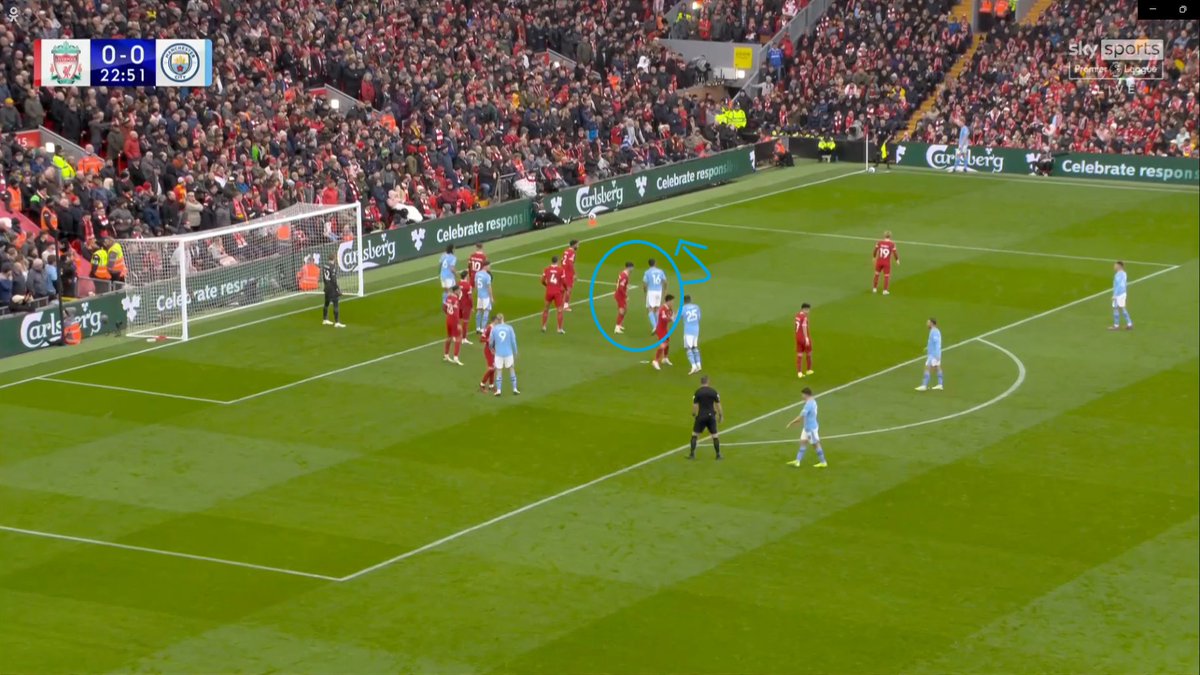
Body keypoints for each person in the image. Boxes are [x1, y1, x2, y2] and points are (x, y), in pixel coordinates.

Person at [786, 387, 827, 468]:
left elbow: (801, 417)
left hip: (811, 429)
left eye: (802, 395)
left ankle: (823, 462)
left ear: (806, 394)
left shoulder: (808, 405)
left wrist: (791, 422)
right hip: (807, 428)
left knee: (816, 444)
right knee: (803, 442)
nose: (802, 396)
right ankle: (797, 461)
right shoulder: (813, 401)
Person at [689, 375, 723, 460]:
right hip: (711, 416)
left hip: (701, 415)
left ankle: (692, 454)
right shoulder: (713, 391)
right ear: (708, 382)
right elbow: (718, 404)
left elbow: (695, 405)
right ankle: (718, 455)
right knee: (715, 435)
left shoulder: (698, 392)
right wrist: (720, 415)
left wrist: (694, 414)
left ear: (701, 382)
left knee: (695, 435)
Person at [489, 313, 520, 396]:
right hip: (508, 353)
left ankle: (499, 390)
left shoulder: (494, 329)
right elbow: (513, 341)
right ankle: (515, 389)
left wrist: (491, 349)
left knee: (499, 371)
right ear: (503, 319)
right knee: (511, 369)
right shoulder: (509, 328)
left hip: (498, 353)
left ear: (497, 319)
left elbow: (491, 341)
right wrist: (516, 351)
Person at [541, 255, 566, 333]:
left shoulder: (547, 269)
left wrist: (547, 285)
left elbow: (542, 280)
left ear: (552, 261)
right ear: (557, 261)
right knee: (559, 310)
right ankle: (559, 329)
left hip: (549, 291)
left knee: (546, 309)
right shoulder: (561, 270)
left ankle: (544, 326)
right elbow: (564, 281)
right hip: (557, 292)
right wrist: (565, 288)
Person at [915, 318, 943, 391]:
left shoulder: (934, 332)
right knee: (937, 368)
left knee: (927, 368)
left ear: (932, 323)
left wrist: (937, 355)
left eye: (928, 323)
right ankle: (940, 384)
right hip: (935, 353)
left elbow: (937, 344)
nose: (927, 324)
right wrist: (928, 347)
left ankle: (924, 385)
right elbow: (934, 343)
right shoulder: (935, 331)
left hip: (933, 354)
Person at [651, 293, 675, 370]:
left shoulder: (670, 309)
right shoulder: (662, 309)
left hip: (664, 329)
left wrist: (672, 318)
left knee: (667, 343)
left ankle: (665, 358)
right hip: (660, 329)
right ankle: (655, 361)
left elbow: (670, 316)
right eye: (672, 301)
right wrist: (671, 319)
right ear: (668, 301)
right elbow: (664, 319)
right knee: (663, 344)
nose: (673, 303)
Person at [643, 257, 667, 331]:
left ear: (649, 264)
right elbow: (665, 281)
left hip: (651, 292)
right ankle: (659, 326)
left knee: (650, 309)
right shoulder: (660, 271)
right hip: (659, 292)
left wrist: (645, 290)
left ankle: (655, 326)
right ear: (655, 263)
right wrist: (665, 289)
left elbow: (645, 283)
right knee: (657, 309)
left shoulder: (647, 272)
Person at [681, 294, 702, 374]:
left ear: (684, 301)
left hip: (688, 331)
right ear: (691, 300)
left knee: (688, 348)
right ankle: (698, 365)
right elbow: (699, 318)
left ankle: (693, 366)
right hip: (696, 330)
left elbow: (676, 318)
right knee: (694, 347)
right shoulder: (696, 307)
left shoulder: (683, 308)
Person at [443, 286, 465, 364]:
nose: (460, 291)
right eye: (459, 290)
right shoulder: (455, 300)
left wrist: (448, 315)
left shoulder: (448, 298)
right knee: (459, 337)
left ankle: (446, 355)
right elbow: (456, 313)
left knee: (449, 337)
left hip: (448, 319)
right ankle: (456, 357)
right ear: (455, 291)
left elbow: (444, 307)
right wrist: (458, 323)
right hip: (454, 321)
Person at [321, 260, 345, 327]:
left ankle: (325, 320)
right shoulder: (332, 267)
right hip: (332, 288)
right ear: (334, 259)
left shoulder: (325, 266)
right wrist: (337, 289)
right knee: (335, 304)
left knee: (326, 303)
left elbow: (324, 277)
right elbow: (334, 280)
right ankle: (337, 322)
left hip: (326, 287)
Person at [1111, 261, 1133, 330]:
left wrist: (1115, 295)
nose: (1114, 266)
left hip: (1119, 294)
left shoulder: (1118, 275)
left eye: (1115, 265)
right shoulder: (1124, 273)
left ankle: (1116, 326)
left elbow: (1119, 285)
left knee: (1116, 308)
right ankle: (1129, 324)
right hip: (1123, 293)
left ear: (1119, 266)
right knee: (1122, 308)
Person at [479, 316, 498, 392]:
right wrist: (488, 340)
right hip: (488, 350)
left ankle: (491, 385)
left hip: (494, 350)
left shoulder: (496, 328)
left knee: (494, 368)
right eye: (497, 320)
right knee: (491, 368)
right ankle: (482, 384)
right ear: (494, 321)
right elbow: (481, 339)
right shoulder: (489, 328)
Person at [614, 261, 634, 334]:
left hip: (620, 294)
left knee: (625, 310)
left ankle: (619, 325)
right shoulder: (624, 276)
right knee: (622, 311)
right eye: (632, 267)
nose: (633, 269)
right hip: (620, 295)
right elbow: (621, 288)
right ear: (629, 267)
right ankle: (617, 327)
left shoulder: (623, 273)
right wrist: (625, 296)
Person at [475, 261, 494, 333]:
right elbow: (489, 288)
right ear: (485, 266)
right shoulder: (487, 276)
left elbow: (476, 285)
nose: (490, 267)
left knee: (479, 311)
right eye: (489, 266)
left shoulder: (477, 274)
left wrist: (479, 291)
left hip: (479, 295)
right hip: (486, 296)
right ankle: (483, 328)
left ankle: (477, 328)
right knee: (486, 311)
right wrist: (491, 297)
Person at [795, 302, 813, 378]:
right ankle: (809, 370)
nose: (808, 311)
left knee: (799, 355)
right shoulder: (804, 317)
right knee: (809, 354)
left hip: (798, 337)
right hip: (804, 338)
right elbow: (804, 327)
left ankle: (799, 372)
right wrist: (806, 338)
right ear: (804, 309)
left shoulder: (797, 315)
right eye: (808, 309)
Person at [561, 239, 579, 311]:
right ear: (574, 245)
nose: (578, 246)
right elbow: (570, 263)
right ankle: (566, 306)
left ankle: (559, 302)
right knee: (568, 289)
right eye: (577, 244)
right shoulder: (572, 252)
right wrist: (574, 273)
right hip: (568, 272)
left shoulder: (565, 251)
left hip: (563, 270)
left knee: (563, 288)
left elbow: (562, 260)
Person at [457, 270, 474, 345]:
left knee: (457, 321)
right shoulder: (468, 285)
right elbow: (470, 297)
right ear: (466, 276)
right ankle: (464, 339)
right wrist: (472, 306)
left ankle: (455, 336)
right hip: (466, 306)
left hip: (458, 305)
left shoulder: (457, 284)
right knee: (465, 322)